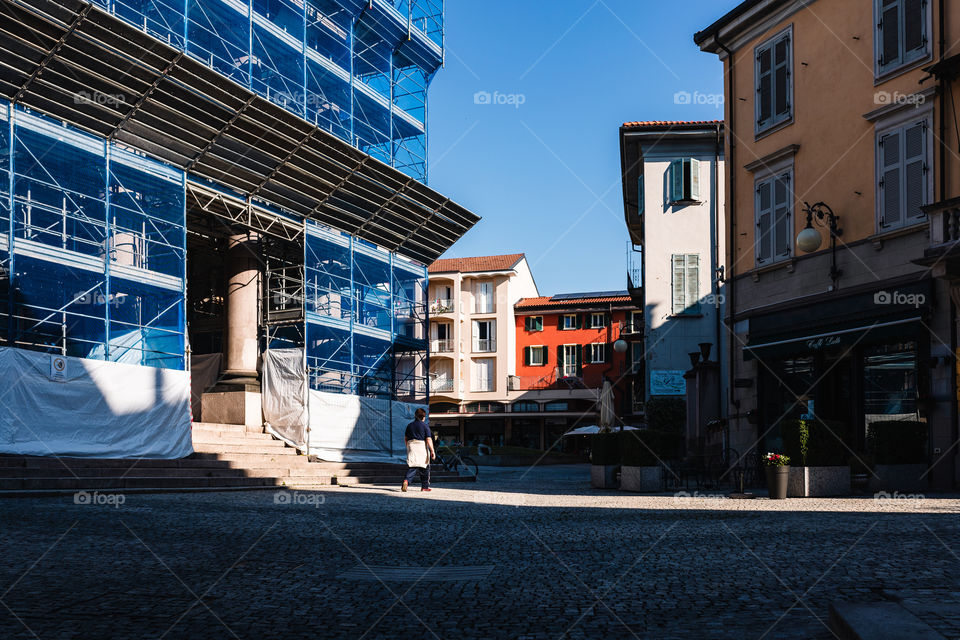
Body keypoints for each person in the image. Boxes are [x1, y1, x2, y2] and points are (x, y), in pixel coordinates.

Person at [402, 408, 435, 492]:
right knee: (425, 467)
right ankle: (425, 487)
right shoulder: (425, 426)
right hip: (421, 446)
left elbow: (405, 438)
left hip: (411, 445)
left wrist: (408, 447)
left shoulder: (409, 425)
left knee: (412, 466)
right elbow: (428, 439)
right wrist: (432, 451)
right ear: (424, 417)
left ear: (415, 416)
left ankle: (406, 481)